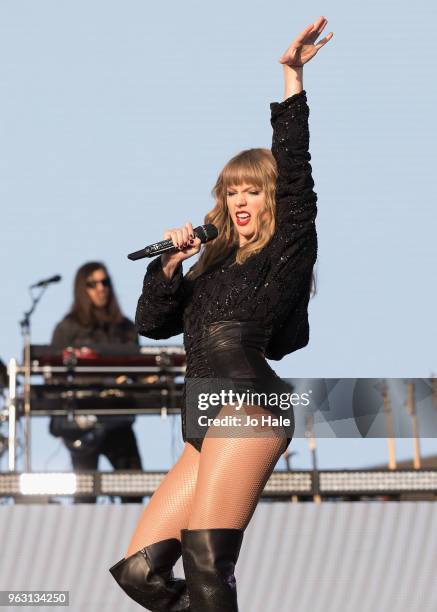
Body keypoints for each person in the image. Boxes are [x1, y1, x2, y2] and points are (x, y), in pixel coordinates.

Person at [109, 17, 333, 611]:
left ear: (270, 199)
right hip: (203, 416)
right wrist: (170, 266)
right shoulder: (212, 266)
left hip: (248, 403)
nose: (239, 200)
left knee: (208, 562)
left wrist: (292, 77)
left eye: (252, 190)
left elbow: (298, 173)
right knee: (139, 575)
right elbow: (152, 324)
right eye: (231, 191)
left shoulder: (286, 253)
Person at [50, 261, 144, 503]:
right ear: (82, 289)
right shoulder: (67, 328)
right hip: (83, 422)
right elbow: (53, 375)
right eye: (93, 284)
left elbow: (139, 371)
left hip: (119, 420)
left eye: (105, 282)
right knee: (84, 495)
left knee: (134, 489)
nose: (101, 288)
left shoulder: (124, 327)